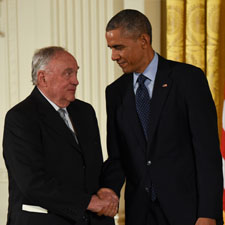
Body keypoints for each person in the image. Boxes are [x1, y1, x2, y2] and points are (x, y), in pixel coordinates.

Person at [99, 9, 223, 225]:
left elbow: (207, 153)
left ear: (143, 40)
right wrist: (108, 190)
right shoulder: (115, 92)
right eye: (111, 48)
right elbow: (118, 155)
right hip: (140, 213)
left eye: (119, 47)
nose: (113, 56)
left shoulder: (188, 79)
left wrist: (208, 213)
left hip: (189, 213)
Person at [3, 46, 118, 225]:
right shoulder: (20, 117)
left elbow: (91, 168)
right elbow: (32, 183)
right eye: (68, 73)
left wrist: (106, 189)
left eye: (76, 73)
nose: (76, 81)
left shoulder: (85, 112)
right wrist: (89, 202)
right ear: (43, 78)